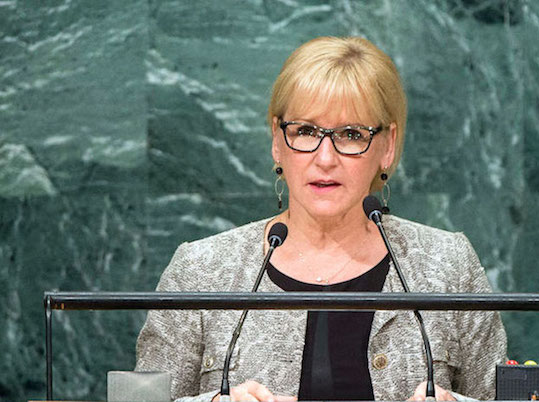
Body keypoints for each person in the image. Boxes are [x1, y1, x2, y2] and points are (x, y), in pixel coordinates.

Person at [135, 36, 507, 402]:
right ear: (277, 141)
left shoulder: (448, 265)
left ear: (387, 146)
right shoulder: (201, 272)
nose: (325, 158)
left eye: (350, 134)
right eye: (306, 131)